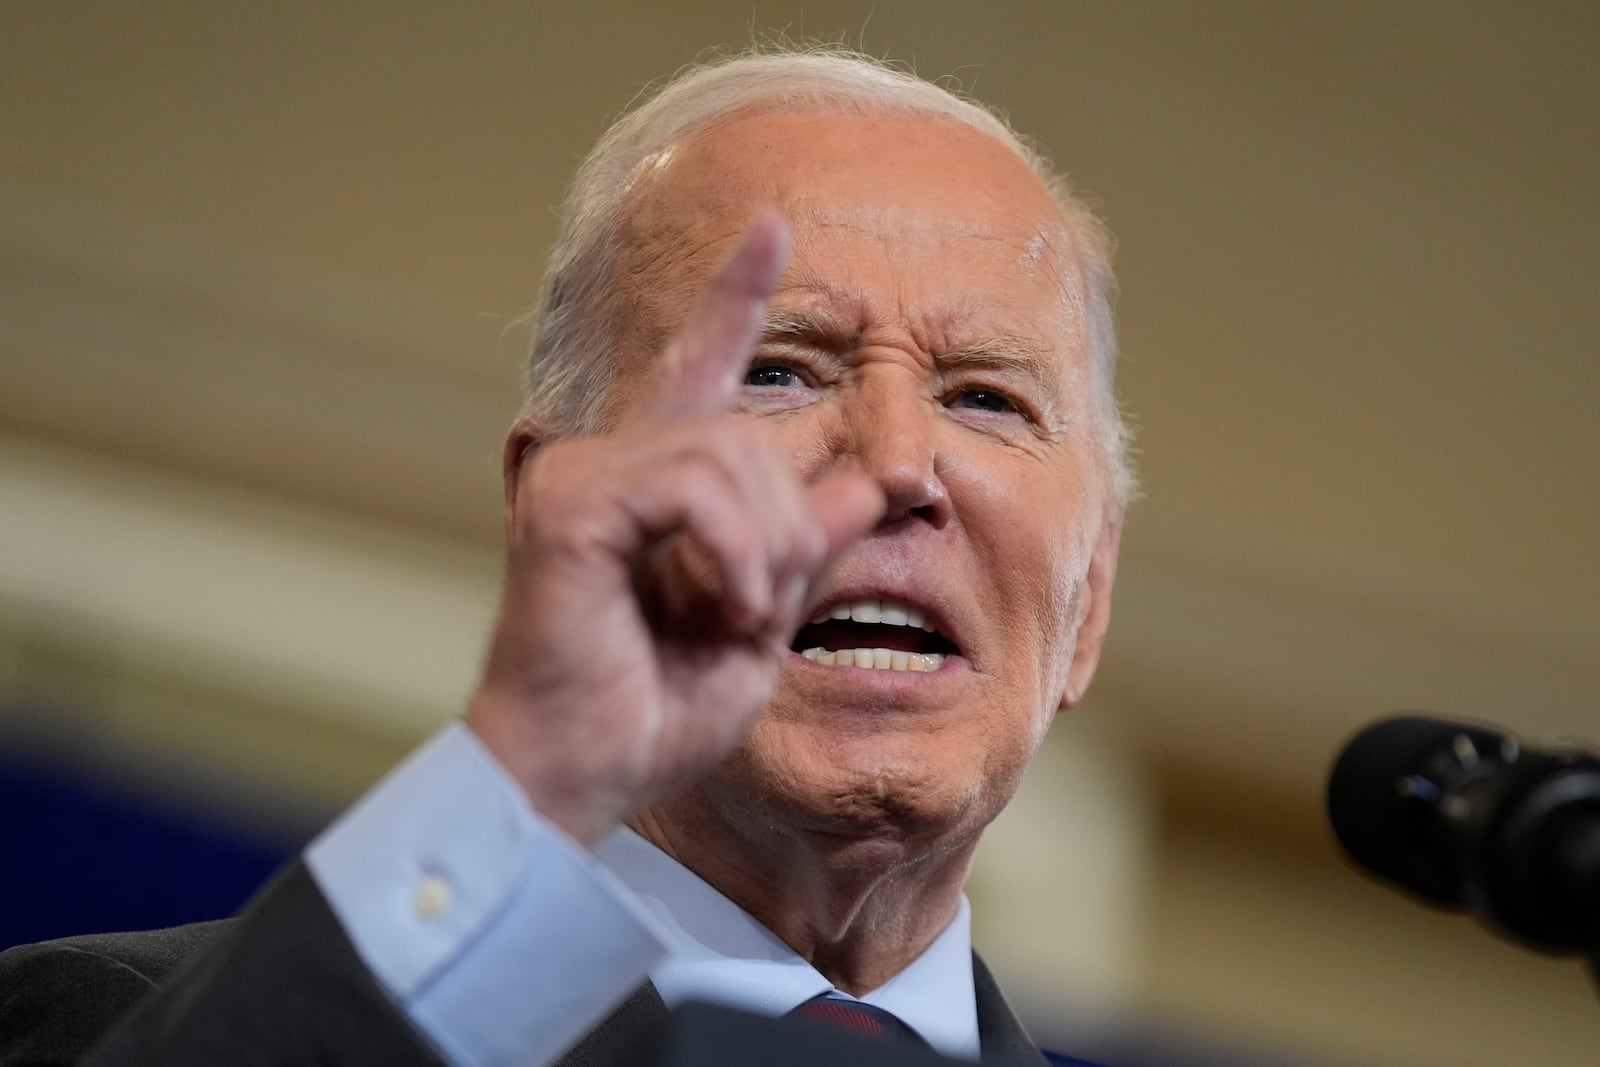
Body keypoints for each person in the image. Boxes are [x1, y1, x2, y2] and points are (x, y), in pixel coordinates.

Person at [0, 45, 1130, 1066]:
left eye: (986, 396)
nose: (894, 464)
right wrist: (525, 780)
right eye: (779, 369)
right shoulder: (124, 1024)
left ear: (1089, 602)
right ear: (557, 512)